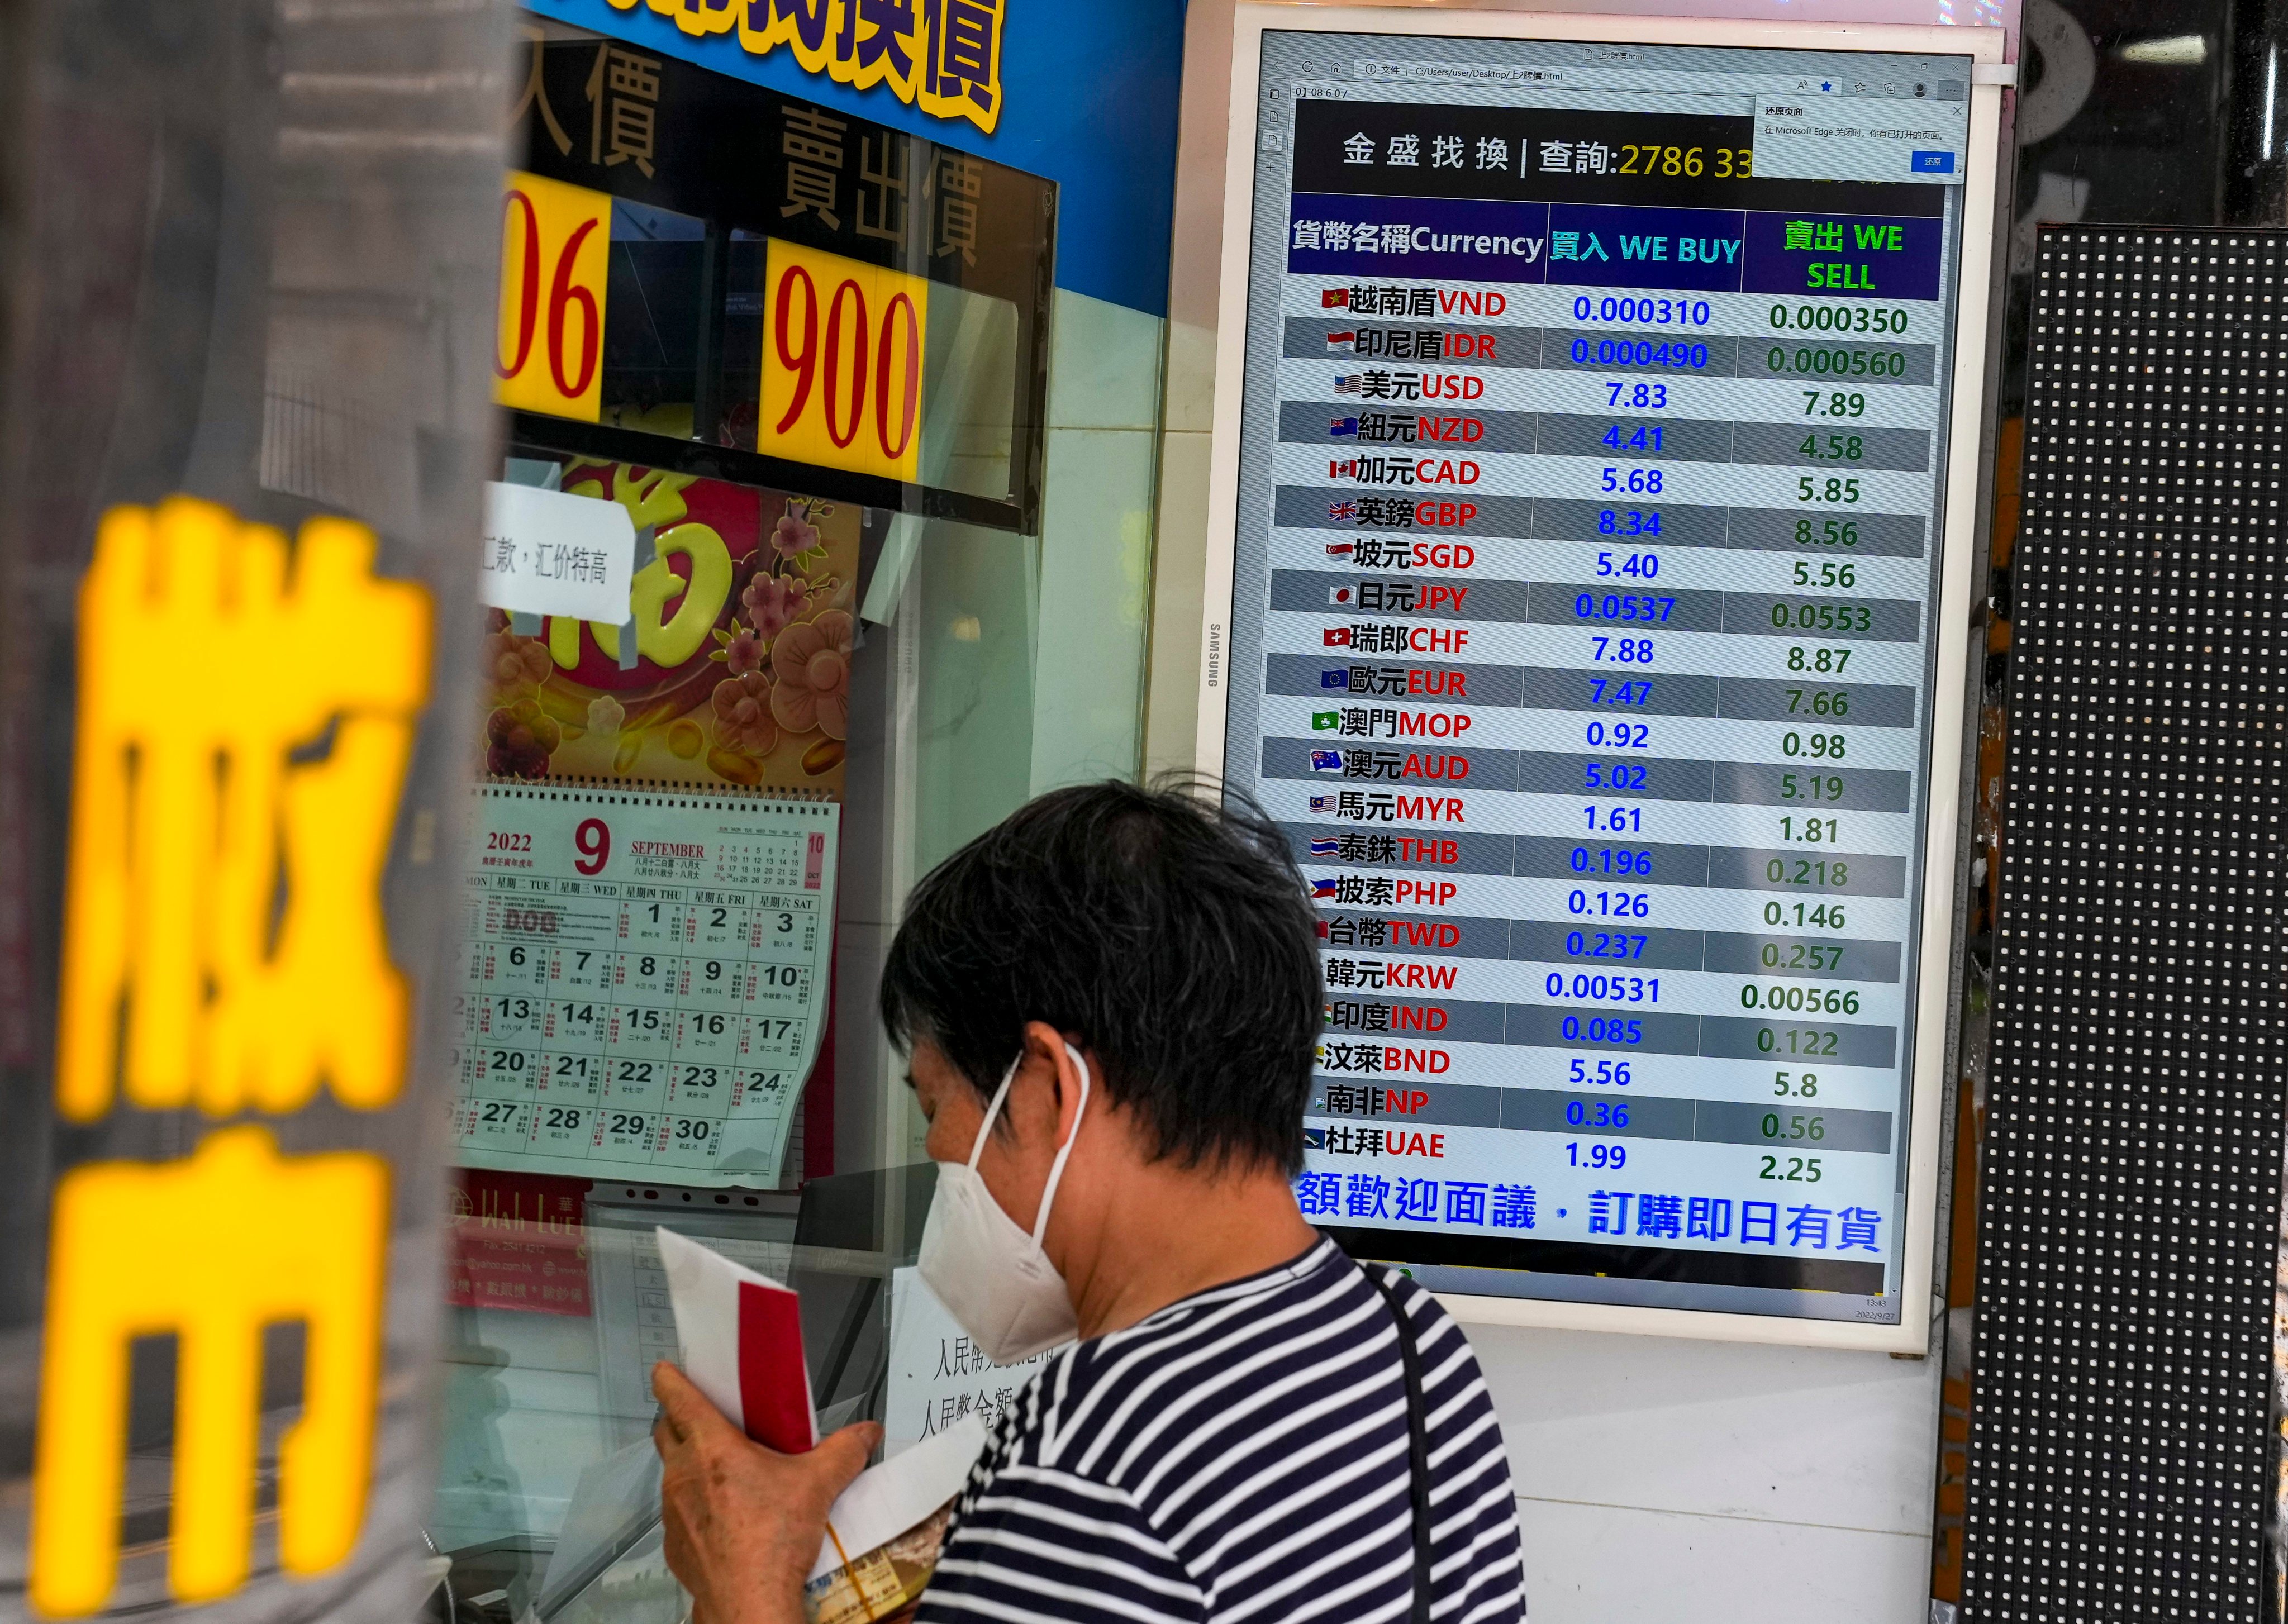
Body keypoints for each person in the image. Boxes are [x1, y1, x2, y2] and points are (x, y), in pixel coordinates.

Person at [650, 779, 1528, 1624]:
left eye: (933, 1104)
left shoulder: (1094, 1455)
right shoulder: (1414, 1341)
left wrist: (746, 1584)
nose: (934, 1151)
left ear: (1044, 1089)